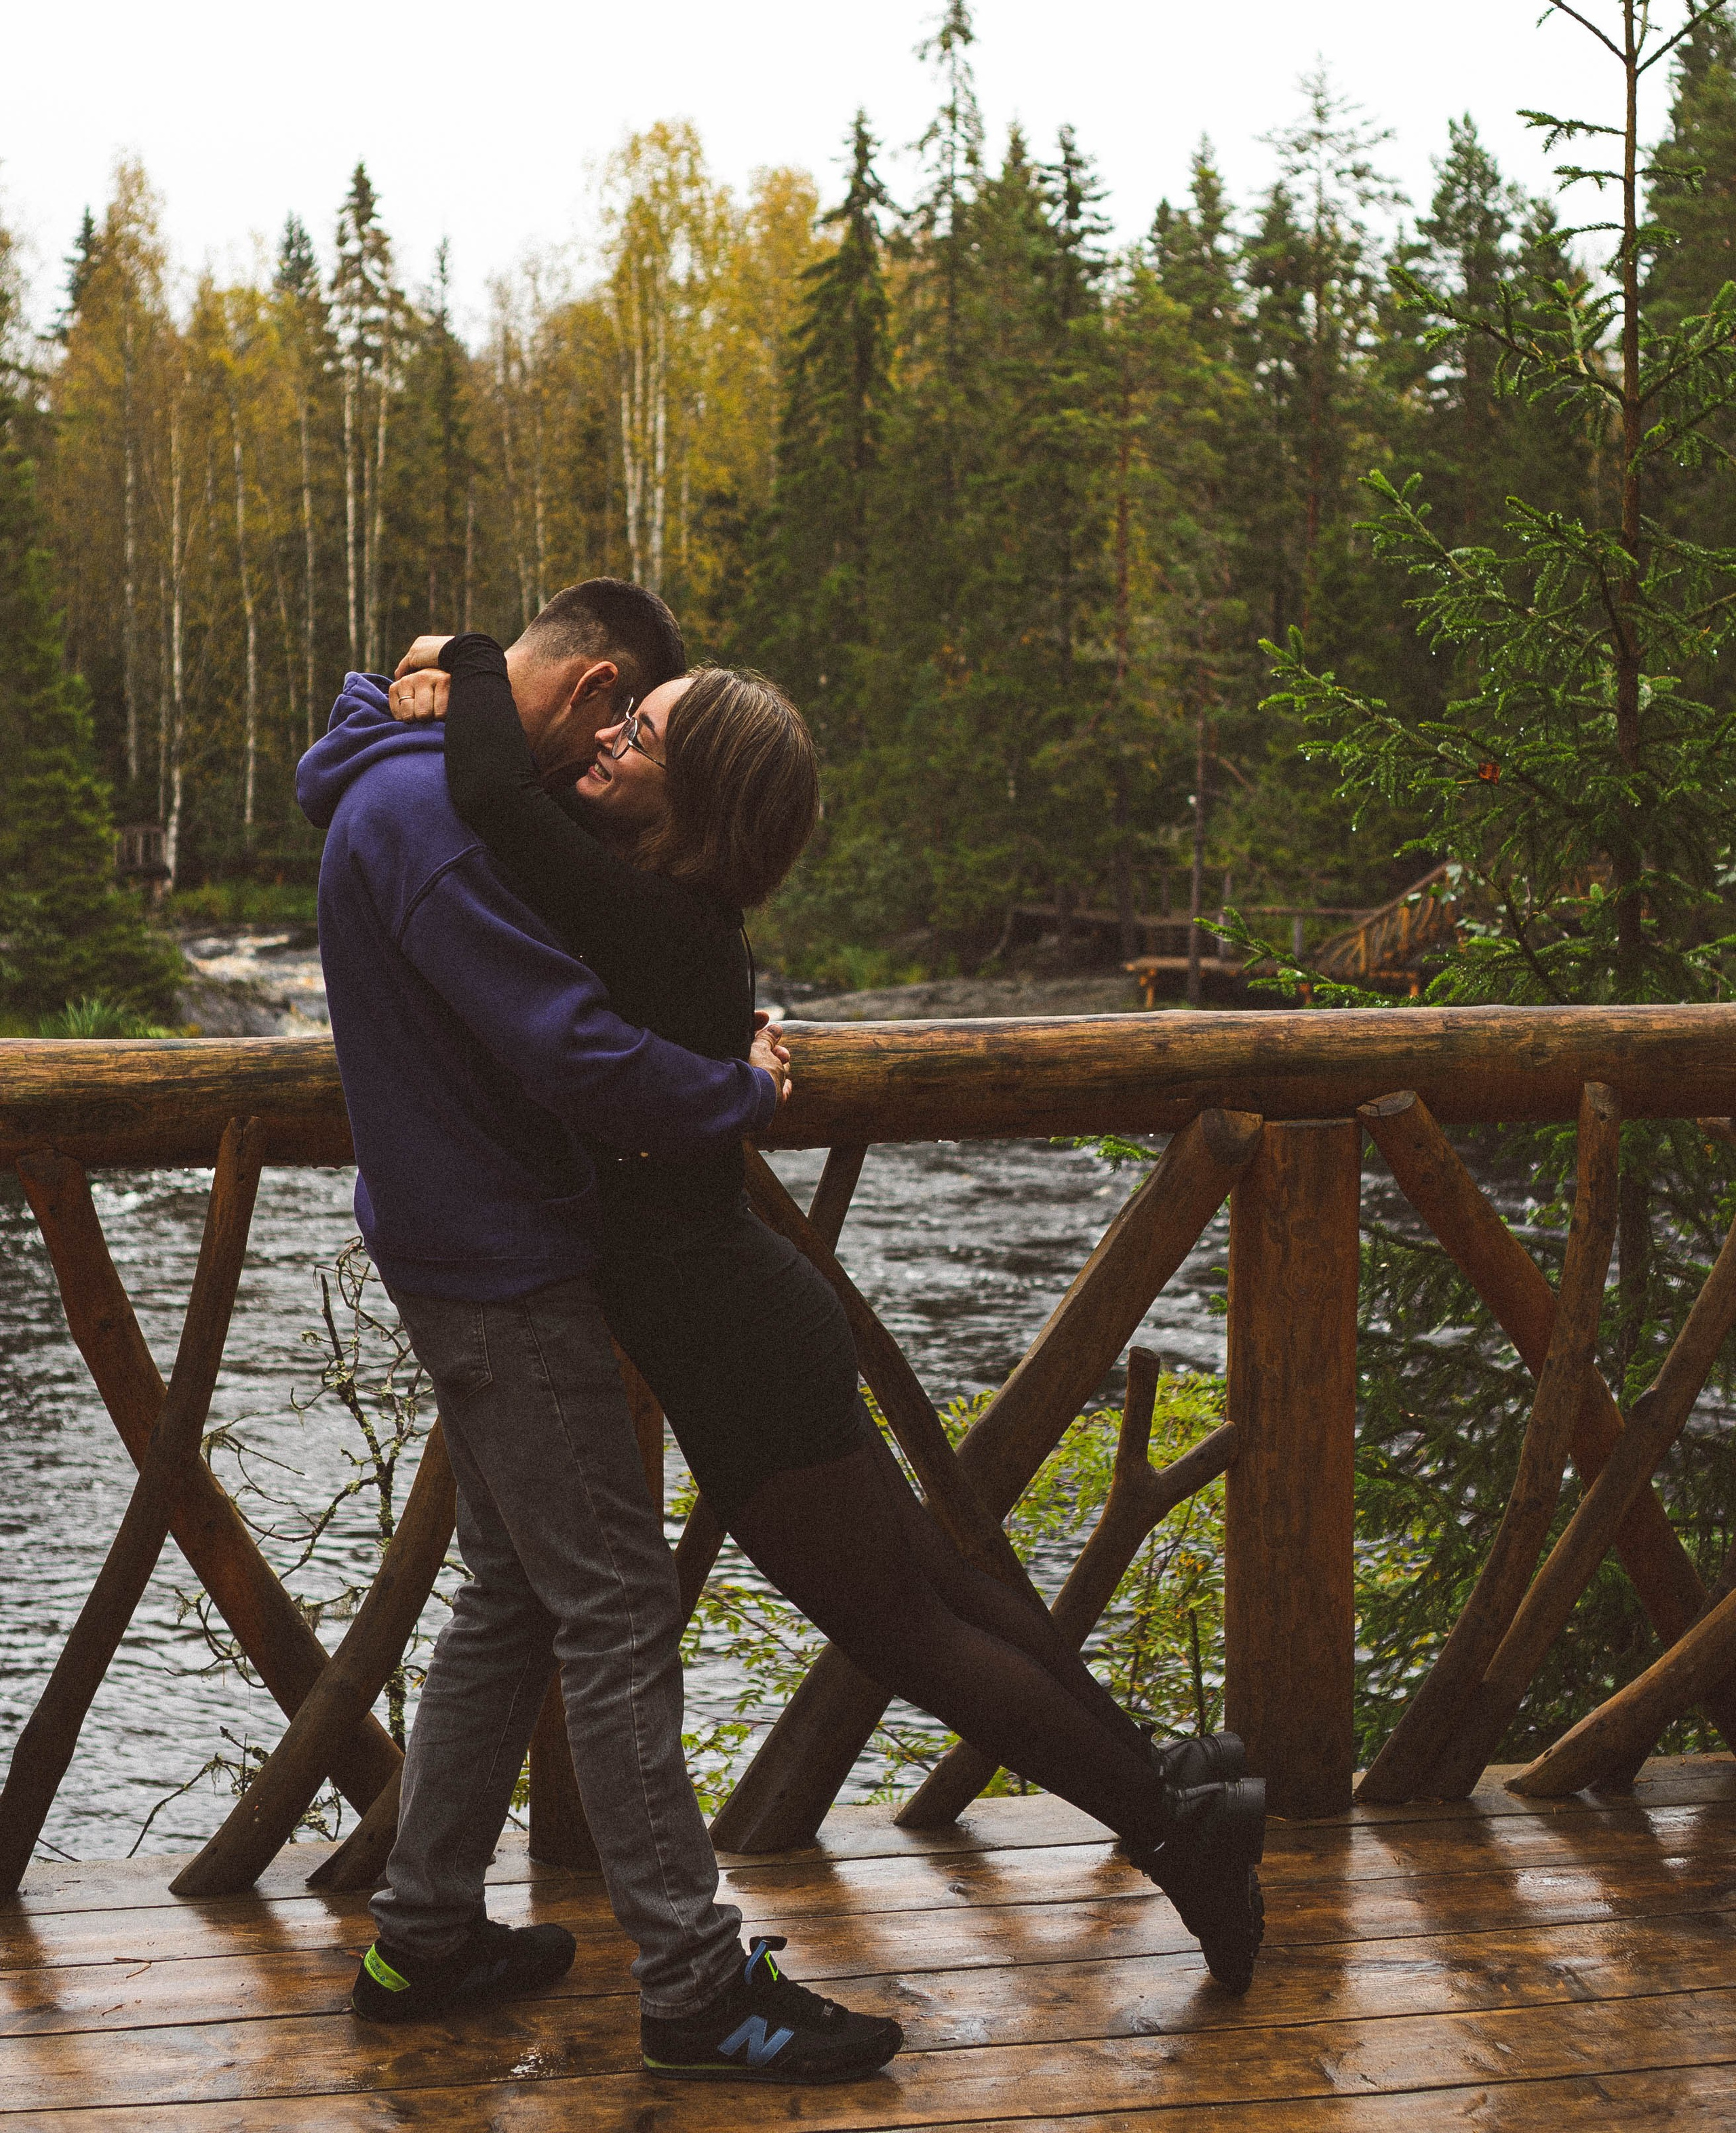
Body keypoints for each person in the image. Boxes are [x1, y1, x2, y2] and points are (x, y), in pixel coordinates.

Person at [385, 625, 1268, 1994]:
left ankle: (1170, 1830)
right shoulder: (671, 919)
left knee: (905, 1626)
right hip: (748, 1311)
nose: (611, 742)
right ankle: (1168, 1779)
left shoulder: (645, 918)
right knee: (934, 1584)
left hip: (734, 1339)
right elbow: (518, 795)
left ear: (699, 806)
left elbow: (497, 792)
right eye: (624, 725)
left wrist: (471, 651)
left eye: (646, 737)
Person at [296, 579, 904, 2088]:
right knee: (618, 1608)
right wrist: (743, 1095)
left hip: (459, 1241)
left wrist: (428, 676)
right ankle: (697, 1990)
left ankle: (425, 1929)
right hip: (499, 1262)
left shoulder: (397, 781)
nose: (601, 772)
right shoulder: (436, 826)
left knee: (514, 1591)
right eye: (618, 732)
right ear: (588, 691)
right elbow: (571, 1048)